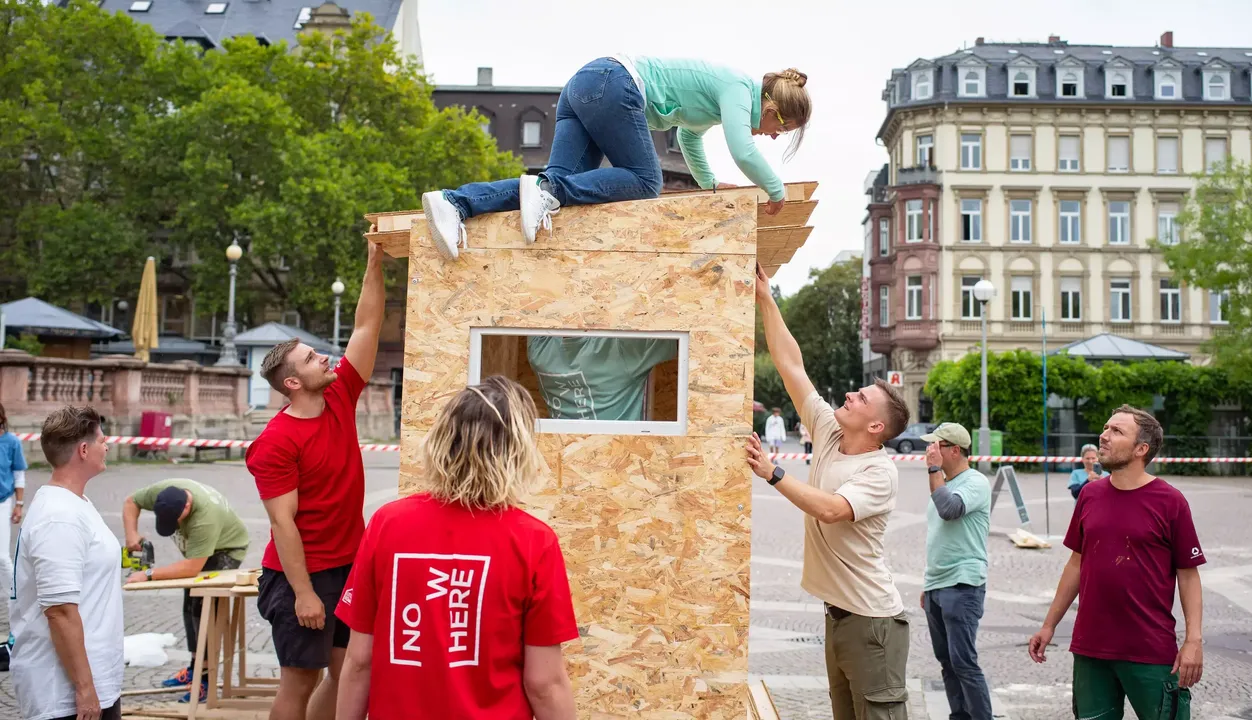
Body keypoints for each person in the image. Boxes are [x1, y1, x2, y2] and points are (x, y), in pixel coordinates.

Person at [334, 376, 577, 720]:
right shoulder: (534, 541)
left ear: (441, 442)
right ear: (518, 451)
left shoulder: (388, 524)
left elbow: (359, 661)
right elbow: (544, 683)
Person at [421, 58, 813, 260]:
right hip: (614, 83)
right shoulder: (738, 88)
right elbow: (742, 150)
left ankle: (455, 203)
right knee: (647, 182)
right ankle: (546, 189)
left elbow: (689, 139)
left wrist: (708, 183)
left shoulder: (720, 101)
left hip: (585, 87)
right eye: (781, 125)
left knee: (544, 193)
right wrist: (776, 191)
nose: (775, 135)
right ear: (770, 104)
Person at [746, 263, 913, 720]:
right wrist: (766, 297)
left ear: (876, 426)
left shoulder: (880, 472)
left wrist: (774, 473)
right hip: (838, 615)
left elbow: (833, 510)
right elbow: (791, 365)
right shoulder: (828, 431)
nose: (850, 396)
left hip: (872, 622)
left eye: (861, 399)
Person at [246, 240, 385, 720]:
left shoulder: (342, 393)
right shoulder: (276, 443)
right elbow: (284, 525)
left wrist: (374, 262)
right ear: (292, 383)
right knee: (299, 682)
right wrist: (304, 593)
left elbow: (366, 325)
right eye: (310, 359)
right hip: (299, 576)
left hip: (349, 564)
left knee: (348, 671)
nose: (324, 359)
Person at [1029, 405, 1205, 720]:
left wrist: (1193, 640)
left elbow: (1188, 575)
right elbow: (1076, 563)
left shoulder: (1170, 502)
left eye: (1116, 431)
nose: (1104, 435)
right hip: (1090, 649)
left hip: (1150, 651)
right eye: (1106, 428)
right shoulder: (1089, 495)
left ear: (1141, 449)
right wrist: (1048, 624)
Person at [10, 406, 123, 720]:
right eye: (102, 440)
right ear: (83, 450)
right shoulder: (59, 517)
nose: (108, 446)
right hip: (62, 694)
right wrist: (85, 688)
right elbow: (60, 611)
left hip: (96, 680)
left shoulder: (76, 502)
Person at [123, 479, 251, 702]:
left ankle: (205, 680)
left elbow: (192, 568)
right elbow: (131, 501)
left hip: (227, 549)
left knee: (203, 607)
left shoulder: (205, 519)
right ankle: (194, 668)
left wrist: (149, 574)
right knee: (189, 602)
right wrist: (131, 534)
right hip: (202, 551)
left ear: (187, 508)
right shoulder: (162, 492)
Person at [919, 423, 993, 720]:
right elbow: (938, 537)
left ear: (954, 450)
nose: (930, 451)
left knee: (964, 662)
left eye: (936, 445)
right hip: (938, 585)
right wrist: (928, 585)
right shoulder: (943, 482)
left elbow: (949, 510)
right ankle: (959, 716)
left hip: (963, 584)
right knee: (947, 662)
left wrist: (934, 471)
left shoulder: (975, 482)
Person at [527, 335, 676, 421]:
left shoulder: (538, 350)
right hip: (619, 460)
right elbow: (687, 333)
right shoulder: (618, 350)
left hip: (564, 457)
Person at [0, 401, 28, 620]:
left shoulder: (11, 442)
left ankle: (15, 601)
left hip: (3, 501)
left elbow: (18, 474)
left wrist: (19, 504)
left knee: (1, 557)